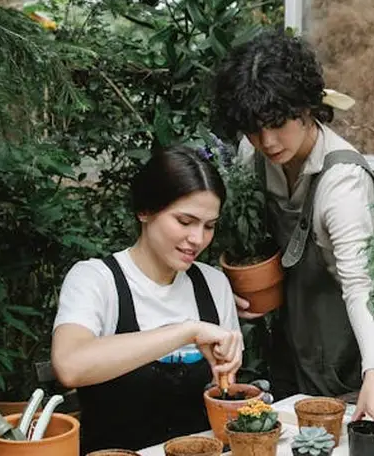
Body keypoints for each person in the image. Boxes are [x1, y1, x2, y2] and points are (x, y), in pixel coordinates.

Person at [210, 28, 374, 449]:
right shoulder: (253, 154)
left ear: (307, 108)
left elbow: (360, 284)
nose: (267, 142)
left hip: (340, 335)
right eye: (253, 129)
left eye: (277, 124)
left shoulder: (343, 181)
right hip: (286, 327)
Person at [51, 144, 244, 453]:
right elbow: (69, 365)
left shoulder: (212, 284)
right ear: (144, 211)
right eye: (184, 221)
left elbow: (223, 392)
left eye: (209, 226)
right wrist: (187, 331)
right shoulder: (96, 279)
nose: (197, 239)